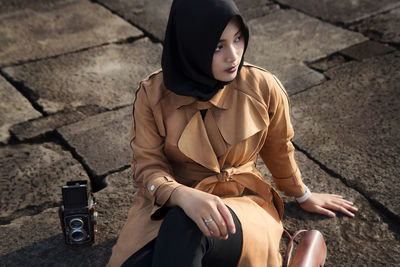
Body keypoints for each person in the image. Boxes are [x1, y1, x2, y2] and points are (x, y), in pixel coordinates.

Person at [107, 0, 358, 266]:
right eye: (217, 46)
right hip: (173, 202)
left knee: (189, 224)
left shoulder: (263, 86)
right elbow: (147, 167)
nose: (233, 55)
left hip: (242, 202)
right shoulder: (152, 93)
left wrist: (302, 194)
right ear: (189, 46)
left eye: (237, 39)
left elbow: (279, 149)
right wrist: (182, 194)